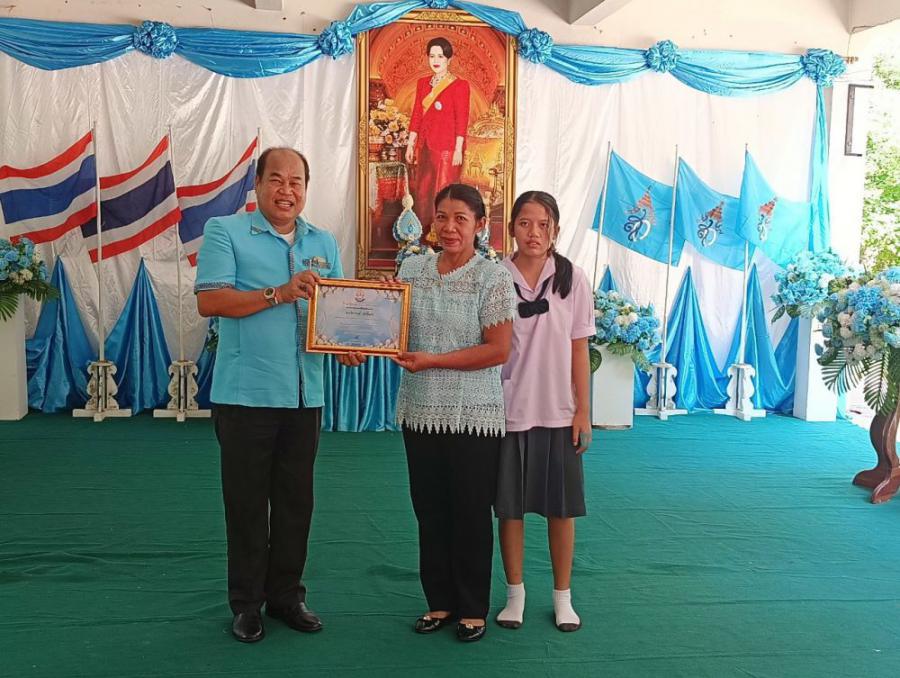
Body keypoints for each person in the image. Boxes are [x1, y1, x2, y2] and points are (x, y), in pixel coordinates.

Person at [194, 147, 343, 643]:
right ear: (257, 185)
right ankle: (247, 604)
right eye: (276, 179)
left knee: (297, 504)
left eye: (296, 181)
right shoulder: (226, 231)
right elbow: (210, 300)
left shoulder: (324, 241)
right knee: (247, 505)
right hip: (246, 396)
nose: (286, 190)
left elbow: (336, 312)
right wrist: (278, 292)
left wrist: (351, 343)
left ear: (306, 188)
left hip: (304, 396)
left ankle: (287, 597)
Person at [394, 183, 514, 642]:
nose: (449, 227)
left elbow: (497, 349)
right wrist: (366, 328)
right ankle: (439, 601)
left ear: (480, 225)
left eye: (460, 218)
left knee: (469, 510)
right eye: (442, 216)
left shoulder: (493, 277)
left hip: (474, 415)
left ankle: (472, 607)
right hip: (420, 409)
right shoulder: (411, 269)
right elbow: (392, 327)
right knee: (429, 509)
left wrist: (434, 360)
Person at [493, 191, 595, 633]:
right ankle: (514, 594)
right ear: (511, 228)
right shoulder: (496, 278)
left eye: (543, 224)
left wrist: (583, 411)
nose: (533, 233)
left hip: (558, 412)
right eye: (524, 223)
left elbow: (579, 348)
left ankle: (562, 597)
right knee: (509, 509)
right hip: (507, 410)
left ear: (555, 230)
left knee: (561, 509)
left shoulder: (573, 279)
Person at [405, 37, 471, 231]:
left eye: (440, 56)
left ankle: (444, 234)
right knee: (422, 192)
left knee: (442, 192)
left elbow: (462, 119)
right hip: (425, 146)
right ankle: (423, 233)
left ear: (449, 59)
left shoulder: (459, 85)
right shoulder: (423, 83)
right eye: (432, 56)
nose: (435, 60)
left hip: (447, 148)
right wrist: (410, 144)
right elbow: (417, 115)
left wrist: (458, 149)